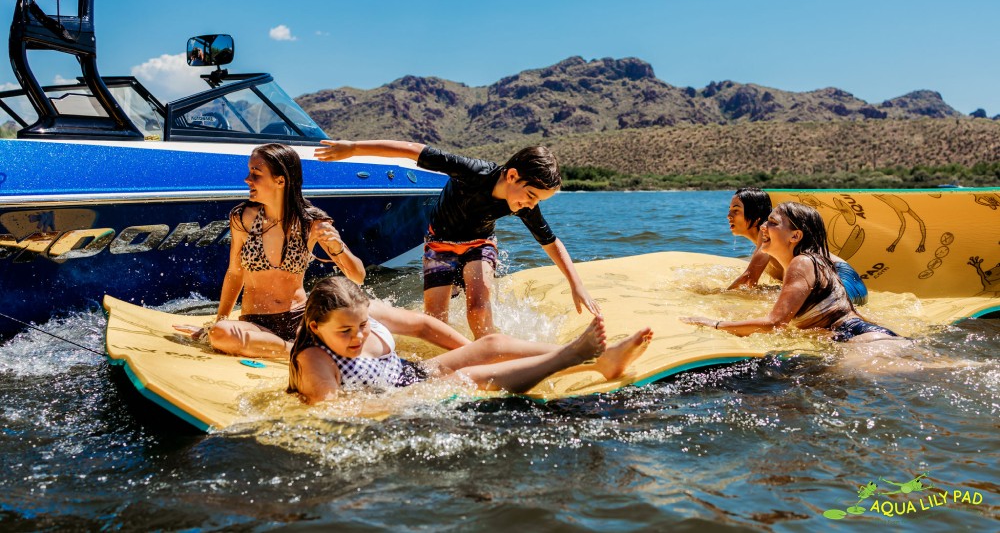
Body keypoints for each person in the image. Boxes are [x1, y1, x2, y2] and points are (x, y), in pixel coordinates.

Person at [315, 140, 600, 339]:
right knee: (435, 320)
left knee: (477, 311)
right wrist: (353, 149)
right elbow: (413, 150)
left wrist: (577, 285)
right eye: (531, 196)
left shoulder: (522, 205)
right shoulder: (473, 172)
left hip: (480, 245)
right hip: (440, 245)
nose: (531, 205)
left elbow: (550, 241)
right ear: (512, 175)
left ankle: (489, 350)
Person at [287, 277, 653, 404]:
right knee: (471, 379)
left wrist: (469, 352)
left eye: (363, 325)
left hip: (410, 374)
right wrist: (416, 400)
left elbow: (422, 326)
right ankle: (573, 357)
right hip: (396, 397)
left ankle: (602, 359)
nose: (358, 335)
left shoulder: (359, 309)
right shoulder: (315, 361)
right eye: (345, 332)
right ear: (316, 327)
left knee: (489, 345)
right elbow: (332, 411)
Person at [175, 143, 366, 357]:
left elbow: (357, 276)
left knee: (359, 322)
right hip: (255, 323)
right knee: (220, 334)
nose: (248, 179)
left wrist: (338, 247)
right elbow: (235, 273)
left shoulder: (311, 222)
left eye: (256, 173)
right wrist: (218, 322)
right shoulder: (243, 218)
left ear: (280, 180)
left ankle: (294, 344)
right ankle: (294, 349)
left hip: (300, 318)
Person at [683, 201, 899, 342]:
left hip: (860, 340)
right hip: (865, 336)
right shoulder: (813, 262)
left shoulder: (802, 263)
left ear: (795, 236)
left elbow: (775, 324)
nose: (763, 227)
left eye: (773, 223)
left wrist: (716, 324)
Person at [726, 187, 869, 306]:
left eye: (736, 210)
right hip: (852, 286)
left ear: (756, 216)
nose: (729, 215)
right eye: (730, 209)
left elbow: (749, 280)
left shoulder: (770, 234)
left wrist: (717, 297)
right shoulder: (774, 238)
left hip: (840, 279)